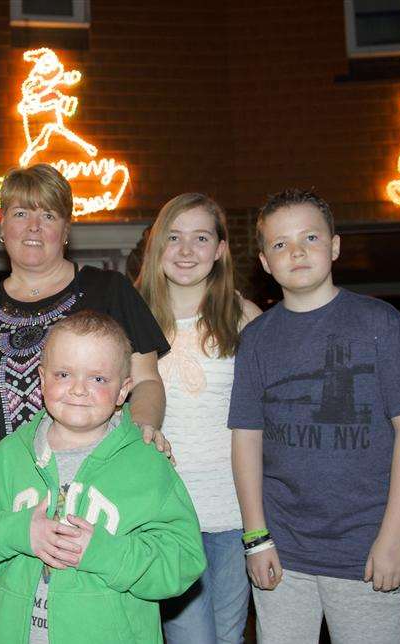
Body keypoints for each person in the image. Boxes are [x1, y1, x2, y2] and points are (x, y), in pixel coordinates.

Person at [229, 189, 400, 643]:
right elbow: (246, 439)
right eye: (280, 244)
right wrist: (256, 537)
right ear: (265, 262)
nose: (297, 251)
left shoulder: (380, 322)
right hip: (283, 552)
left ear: (335, 246)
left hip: (366, 549)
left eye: (310, 236)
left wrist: (393, 537)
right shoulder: (256, 340)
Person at [0, 311, 207, 644]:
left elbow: (184, 560)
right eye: (63, 374)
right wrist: (18, 532)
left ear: (122, 390)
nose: (78, 389)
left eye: (98, 379)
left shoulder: (148, 464)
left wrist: (105, 553)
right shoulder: (8, 456)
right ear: (42, 379)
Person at [0, 163, 171, 459]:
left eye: (48, 215)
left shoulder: (110, 290)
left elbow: (146, 379)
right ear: (3, 227)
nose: (34, 226)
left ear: (66, 230)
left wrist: (140, 433)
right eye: (21, 214)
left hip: (98, 476)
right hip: (2, 489)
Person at [136, 193, 261, 644]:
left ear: (221, 249)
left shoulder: (245, 318)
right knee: (192, 637)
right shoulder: (133, 316)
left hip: (233, 509)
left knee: (228, 636)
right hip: (163, 513)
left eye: (201, 238)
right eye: (174, 237)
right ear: (156, 246)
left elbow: (266, 419)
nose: (186, 250)